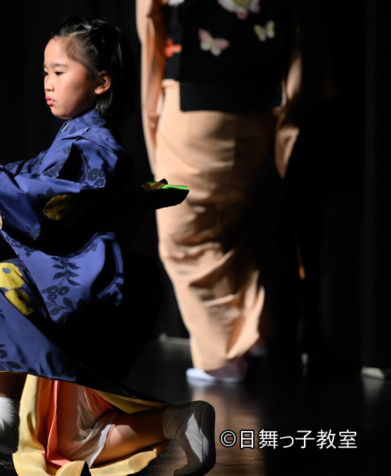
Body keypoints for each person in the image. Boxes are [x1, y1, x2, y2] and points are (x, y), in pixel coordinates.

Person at [0, 16, 216, 476]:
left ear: (102, 82)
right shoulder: (75, 140)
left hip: (88, 294)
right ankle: (177, 420)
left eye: (60, 72)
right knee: (65, 443)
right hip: (80, 289)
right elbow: (34, 181)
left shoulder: (96, 145)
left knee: (0, 283)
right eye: (45, 72)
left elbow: (50, 204)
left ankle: (3, 408)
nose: (47, 83)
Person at [135, 0, 335, 383]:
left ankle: (222, 355)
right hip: (260, 91)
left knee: (185, 234)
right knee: (230, 221)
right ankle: (252, 329)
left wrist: (153, 92)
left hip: (198, 92)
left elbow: (151, 14)